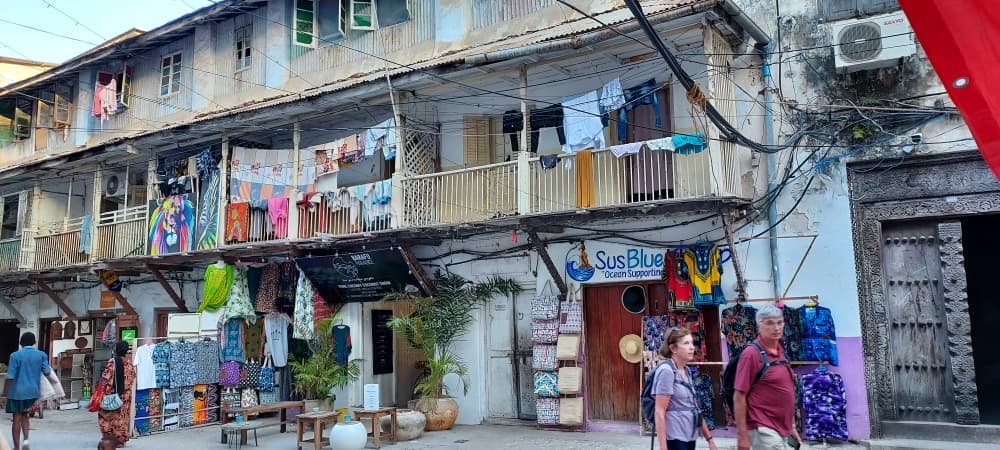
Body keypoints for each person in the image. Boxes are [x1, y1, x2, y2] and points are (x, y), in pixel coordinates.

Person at [734, 304, 802, 450]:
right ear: (759, 326)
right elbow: (739, 396)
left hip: (782, 427)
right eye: (770, 323)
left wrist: (792, 426)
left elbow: (785, 391)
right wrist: (742, 435)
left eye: (779, 322)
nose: (776, 328)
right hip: (762, 427)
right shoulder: (751, 354)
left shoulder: (780, 350)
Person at [653, 327, 717, 450]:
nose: (692, 347)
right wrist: (663, 447)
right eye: (686, 343)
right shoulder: (667, 371)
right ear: (673, 348)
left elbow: (695, 407)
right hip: (674, 436)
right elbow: (659, 411)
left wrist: (710, 440)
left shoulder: (686, 371)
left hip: (689, 435)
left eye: (692, 343)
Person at [5, 332, 52, 450]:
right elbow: (47, 372)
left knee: (16, 419)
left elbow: (10, 376)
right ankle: (26, 441)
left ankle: (16, 447)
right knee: (25, 416)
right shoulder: (41, 355)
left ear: (21, 343)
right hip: (33, 392)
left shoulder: (15, 356)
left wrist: (4, 392)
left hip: (17, 392)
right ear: (34, 342)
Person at [97, 341, 136, 448]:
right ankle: (120, 441)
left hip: (113, 395)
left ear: (116, 350)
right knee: (122, 418)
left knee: (107, 416)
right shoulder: (129, 364)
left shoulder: (113, 362)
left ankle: (110, 440)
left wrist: (100, 394)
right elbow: (132, 378)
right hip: (125, 396)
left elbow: (105, 379)